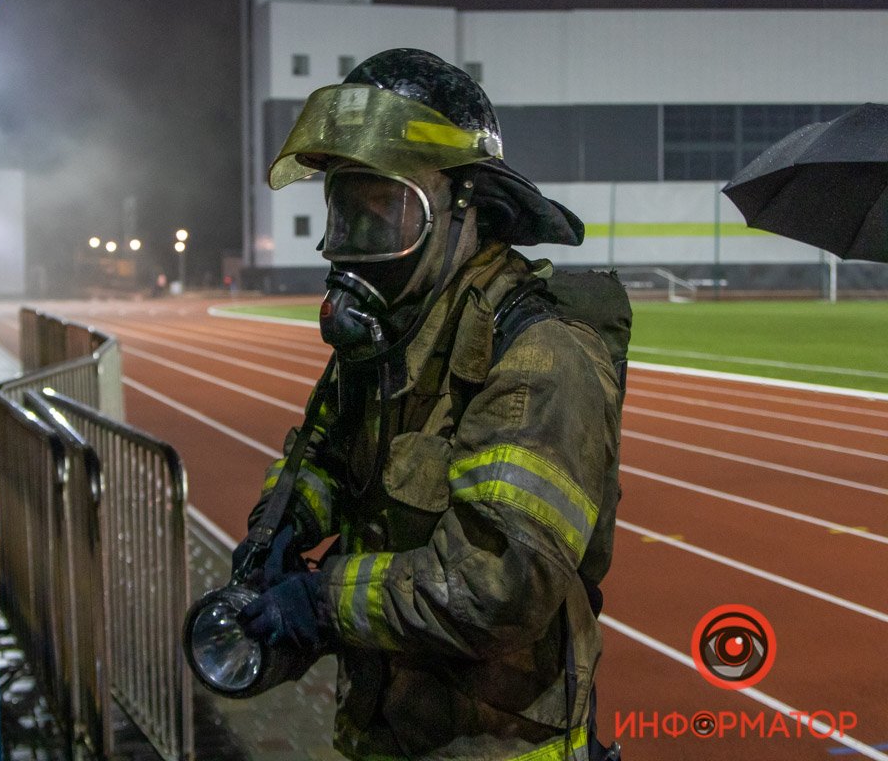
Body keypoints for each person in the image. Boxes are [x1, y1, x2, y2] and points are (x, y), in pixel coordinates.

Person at [233, 49, 623, 760]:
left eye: (383, 211)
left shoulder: (537, 357)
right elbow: (322, 451)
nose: (351, 246)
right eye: (345, 212)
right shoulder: (397, 336)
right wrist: (278, 528)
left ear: (463, 206)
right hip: (388, 733)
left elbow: (496, 584)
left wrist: (322, 603)